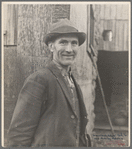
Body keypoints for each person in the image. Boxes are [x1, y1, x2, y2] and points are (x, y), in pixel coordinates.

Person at [7, 19, 91, 147]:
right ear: (51, 47)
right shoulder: (40, 79)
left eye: (74, 43)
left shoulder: (72, 80)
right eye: (63, 43)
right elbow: (19, 134)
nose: (69, 49)